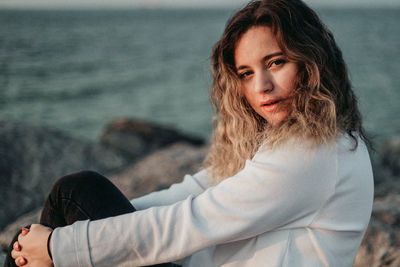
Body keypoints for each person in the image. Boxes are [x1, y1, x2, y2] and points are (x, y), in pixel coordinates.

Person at [7, 0, 374, 266]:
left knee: (75, 194)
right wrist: (94, 228)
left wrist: (59, 247)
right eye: (246, 73)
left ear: (311, 63)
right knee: (74, 203)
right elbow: (198, 190)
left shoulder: (312, 156)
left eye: (276, 62)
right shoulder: (301, 140)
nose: (261, 86)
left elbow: (190, 221)